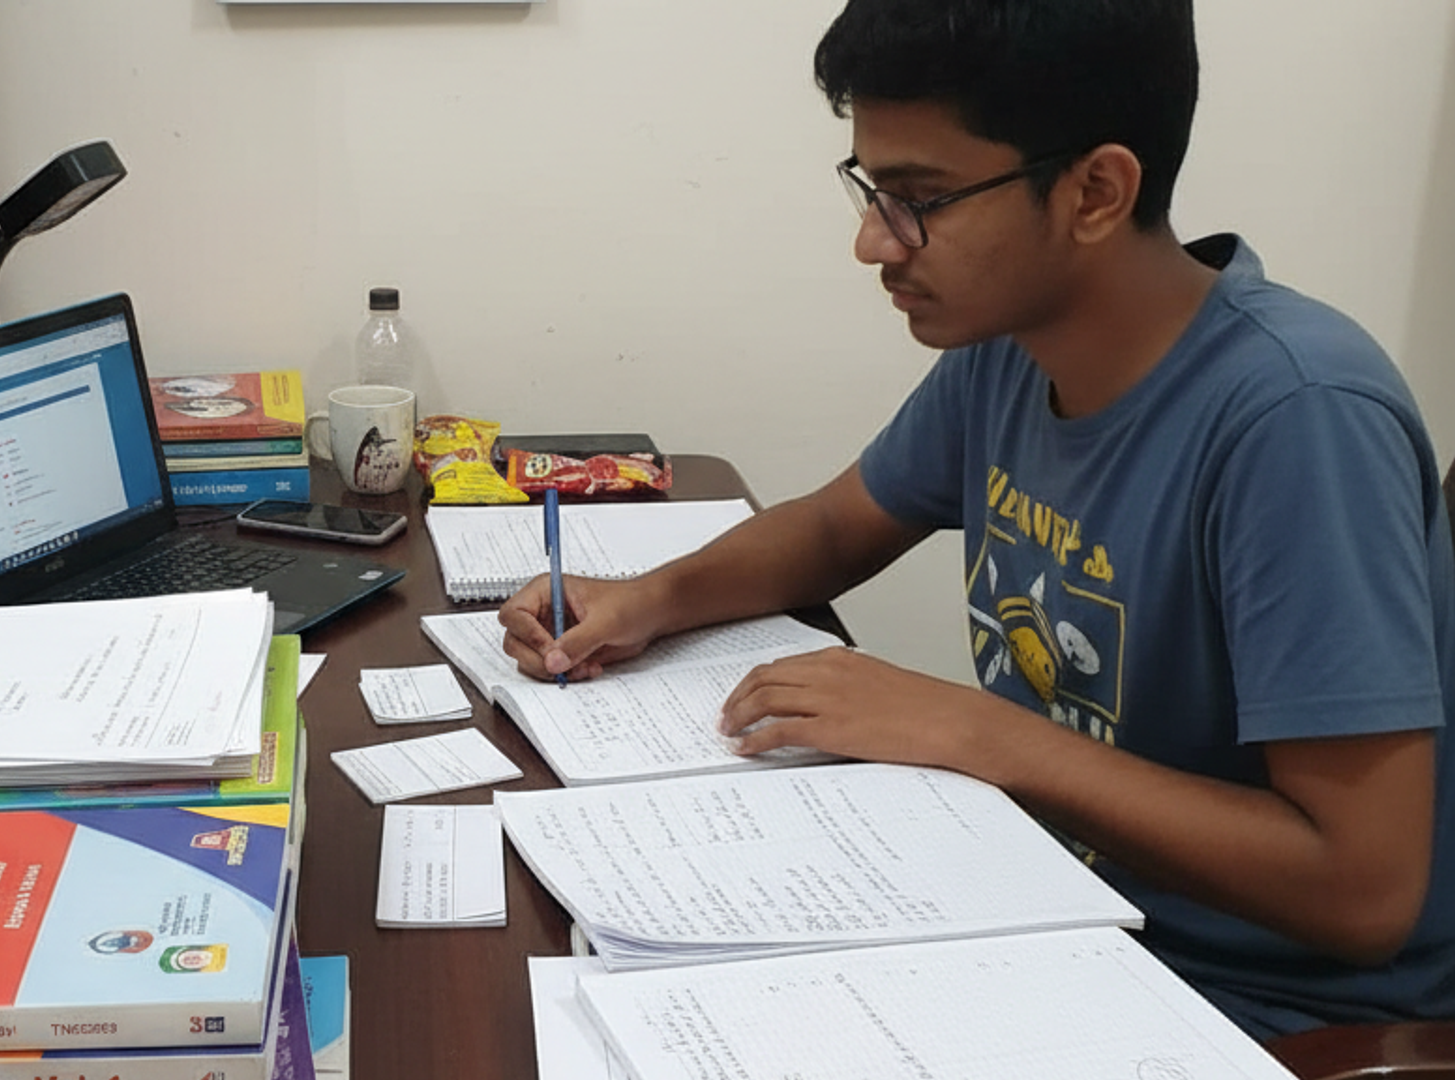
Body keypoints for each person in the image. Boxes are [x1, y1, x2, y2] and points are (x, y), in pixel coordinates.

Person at [498, 0, 1455, 1041]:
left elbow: (1361, 894)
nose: (874, 242)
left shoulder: (1295, 419)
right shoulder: (1012, 346)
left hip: (1257, 1014)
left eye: (920, 199)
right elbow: (834, 528)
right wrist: (647, 599)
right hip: (1042, 907)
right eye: (870, 190)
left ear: (1095, 191)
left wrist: (975, 731)